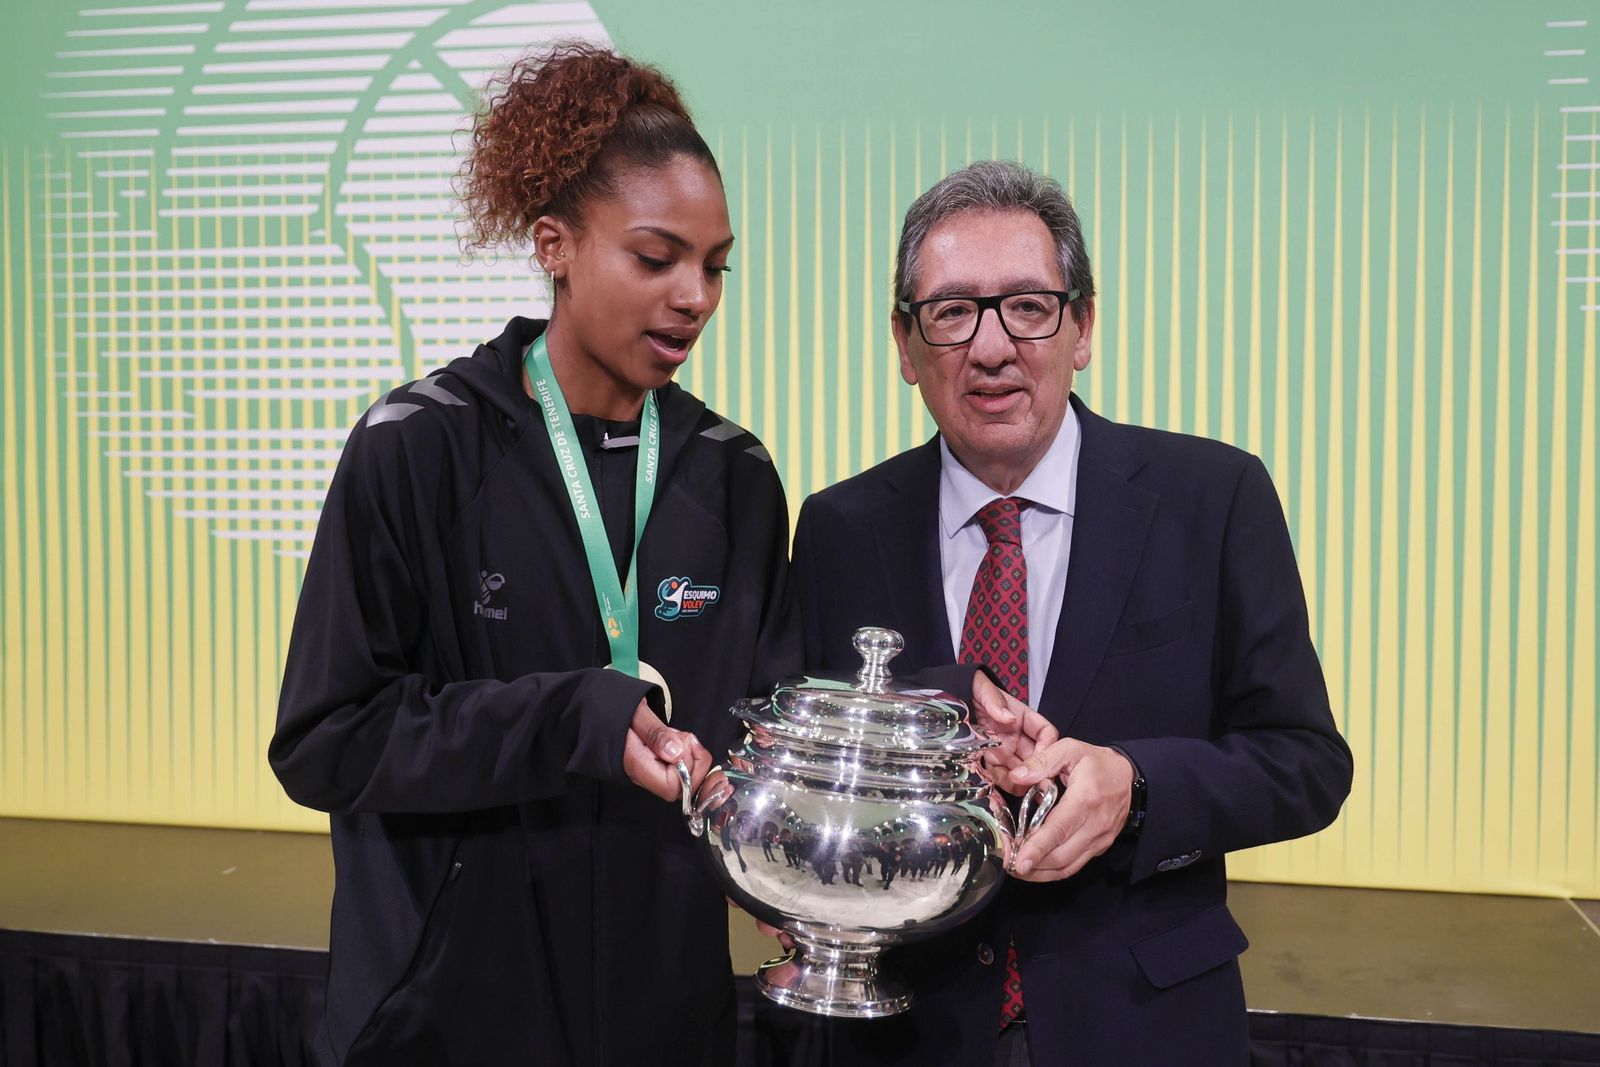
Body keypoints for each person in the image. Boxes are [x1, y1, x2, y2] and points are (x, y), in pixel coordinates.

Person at [268, 44, 796, 1066]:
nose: (695, 295)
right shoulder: (418, 445)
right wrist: (573, 714)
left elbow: (758, 734)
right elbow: (328, 739)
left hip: (663, 1021)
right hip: (445, 1019)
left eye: (715, 263)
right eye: (656, 257)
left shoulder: (733, 473)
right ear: (555, 243)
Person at [790, 160, 1354, 1065]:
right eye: (951, 311)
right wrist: (943, 700)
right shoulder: (838, 528)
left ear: (1083, 325)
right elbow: (815, 759)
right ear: (904, 343)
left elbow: (1305, 762)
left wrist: (1135, 787)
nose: (991, 346)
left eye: (1028, 305)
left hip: (1145, 1023)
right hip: (910, 1031)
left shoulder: (1213, 497)